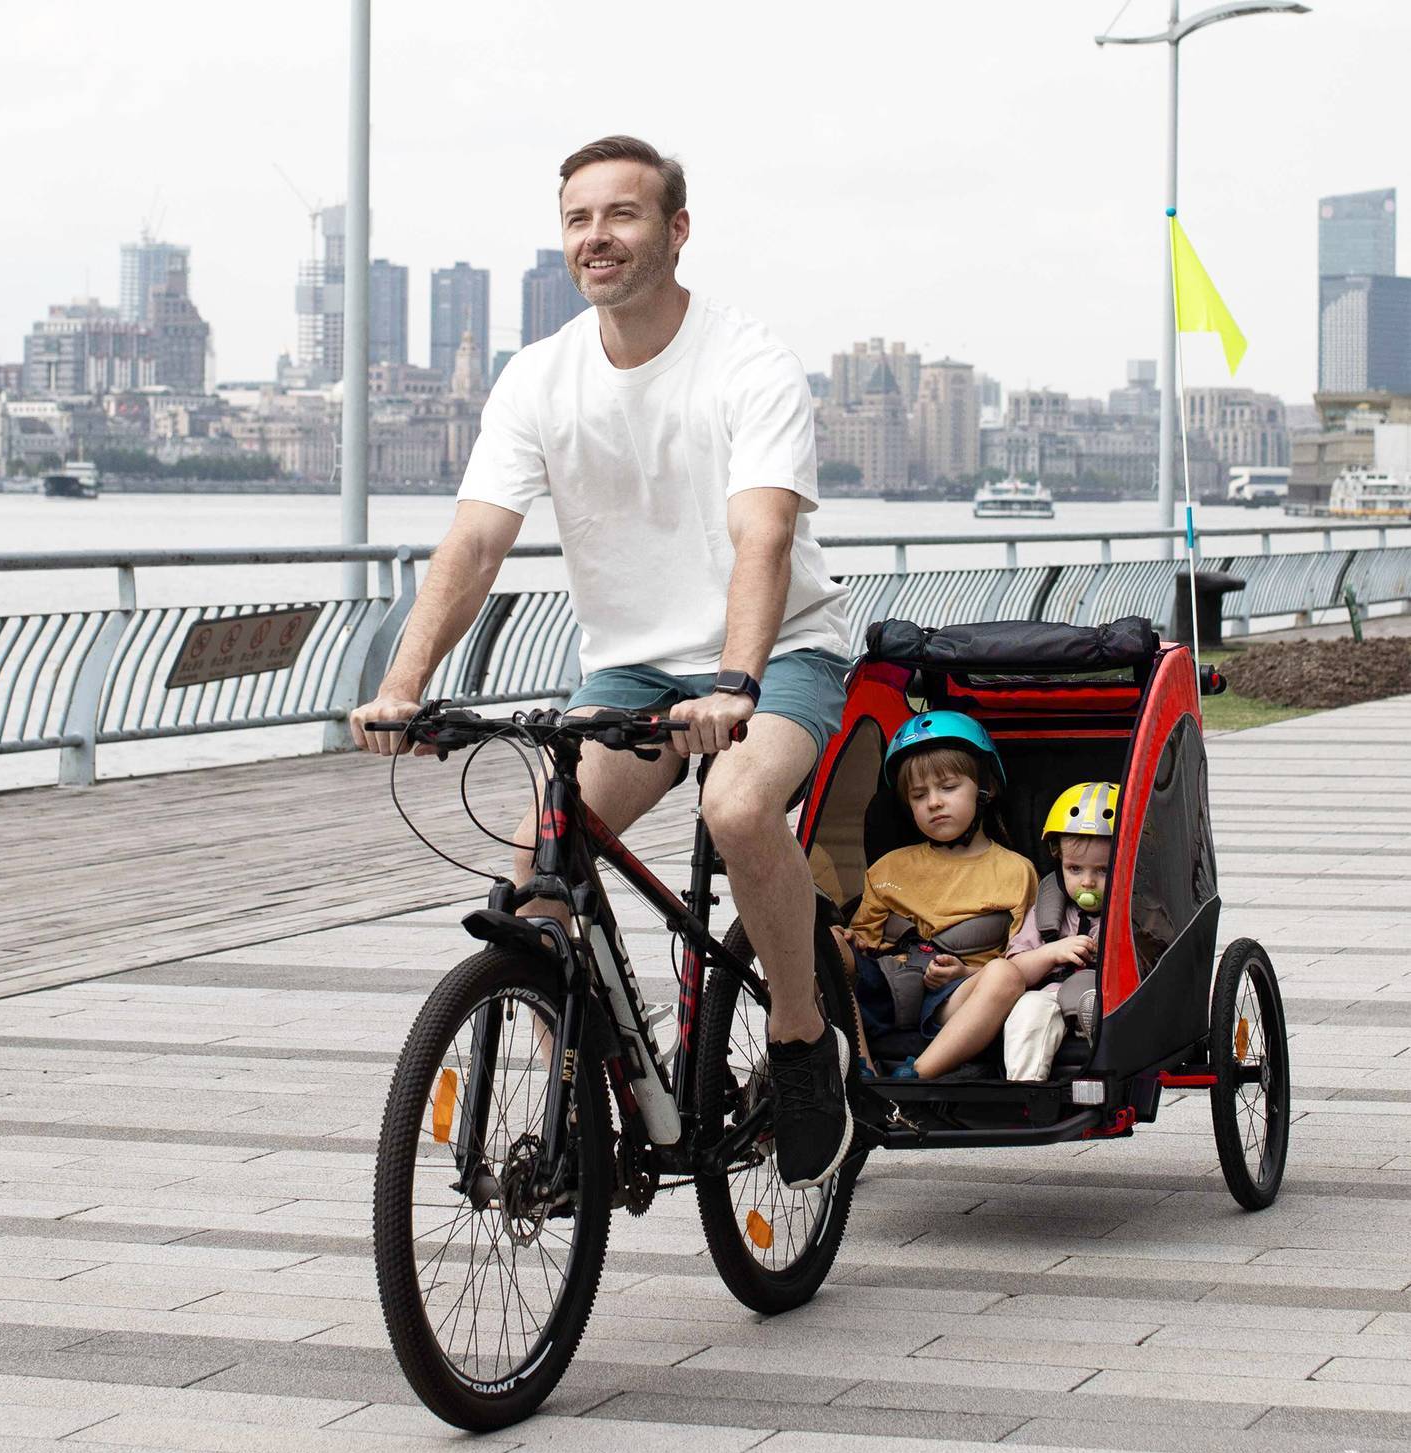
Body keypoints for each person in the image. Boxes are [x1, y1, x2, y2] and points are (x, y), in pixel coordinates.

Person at [350, 135, 856, 1191]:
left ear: (675, 230)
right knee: (541, 878)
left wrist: (734, 681)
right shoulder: (539, 378)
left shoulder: (746, 359)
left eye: (622, 216)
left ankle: (805, 1044)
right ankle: (591, 1087)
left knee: (737, 810)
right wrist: (404, 684)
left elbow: (762, 536)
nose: (598, 237)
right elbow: (475, 544)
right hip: (627, 671)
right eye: (579, 219)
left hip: (778, 651)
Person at [833, 712, 1037, 1081]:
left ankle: (917, 1076)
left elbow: (1023, 954)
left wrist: (969, 972)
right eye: (919, 795)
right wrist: (849, 941)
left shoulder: (1015, 872)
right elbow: (864, 939)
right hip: (887, 984)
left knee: (1006, 975)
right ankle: (860, 1067)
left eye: (948, 787)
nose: (934, 803)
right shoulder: (888, 869)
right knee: (826, 943)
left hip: (957, 996)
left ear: (983, 788)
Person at [1003, 782, 1116, 1083]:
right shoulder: (1047, 912)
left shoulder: (1132, 914)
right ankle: (1026, 1088)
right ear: (1059, 861)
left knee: (1100, 1006)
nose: (1088, 882)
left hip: (1105, 994)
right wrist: (1051, 951)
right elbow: (1015, 970)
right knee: (1028, 1012)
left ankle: (1103, 1067)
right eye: (1075, 869)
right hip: (1050, 993)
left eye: (1103, 870)